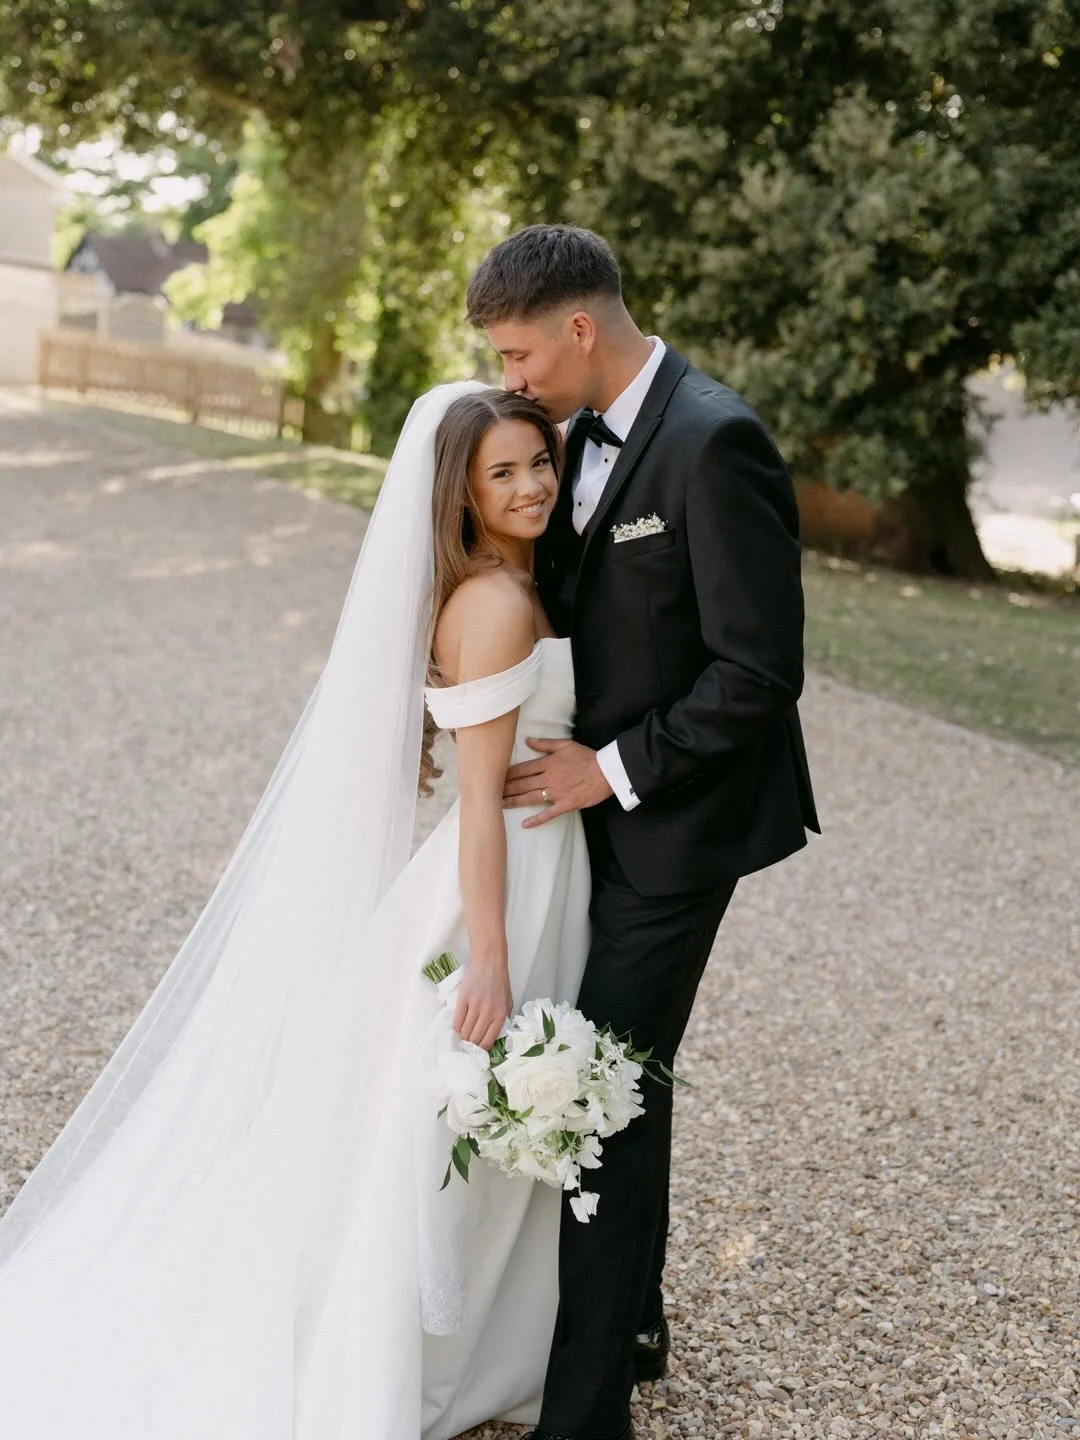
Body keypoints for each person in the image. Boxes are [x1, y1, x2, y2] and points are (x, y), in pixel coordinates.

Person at [0, 384, 591, 1438]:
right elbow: (478, 811)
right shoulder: (496, 606)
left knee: (425, 1122)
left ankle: (481, 1324)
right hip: (495, 891)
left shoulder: (511, 582)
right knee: (422, 1129)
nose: (532, 485)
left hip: (531, 873)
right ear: (460, 490)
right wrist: (490, 957)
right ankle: (386, 1339)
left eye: (539, 463)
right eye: (502, 472)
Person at [465, 223, 820, 1440]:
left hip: (678, 826)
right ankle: (639, 1318)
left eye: (517, 352)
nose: (506, 378)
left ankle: (584, 1413)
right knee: (634, 1075)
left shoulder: (717, 440)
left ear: (578, 328)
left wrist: (606, 772)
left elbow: (760, 674)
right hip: (580, 822)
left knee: (598, 1087)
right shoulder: (559, 433)